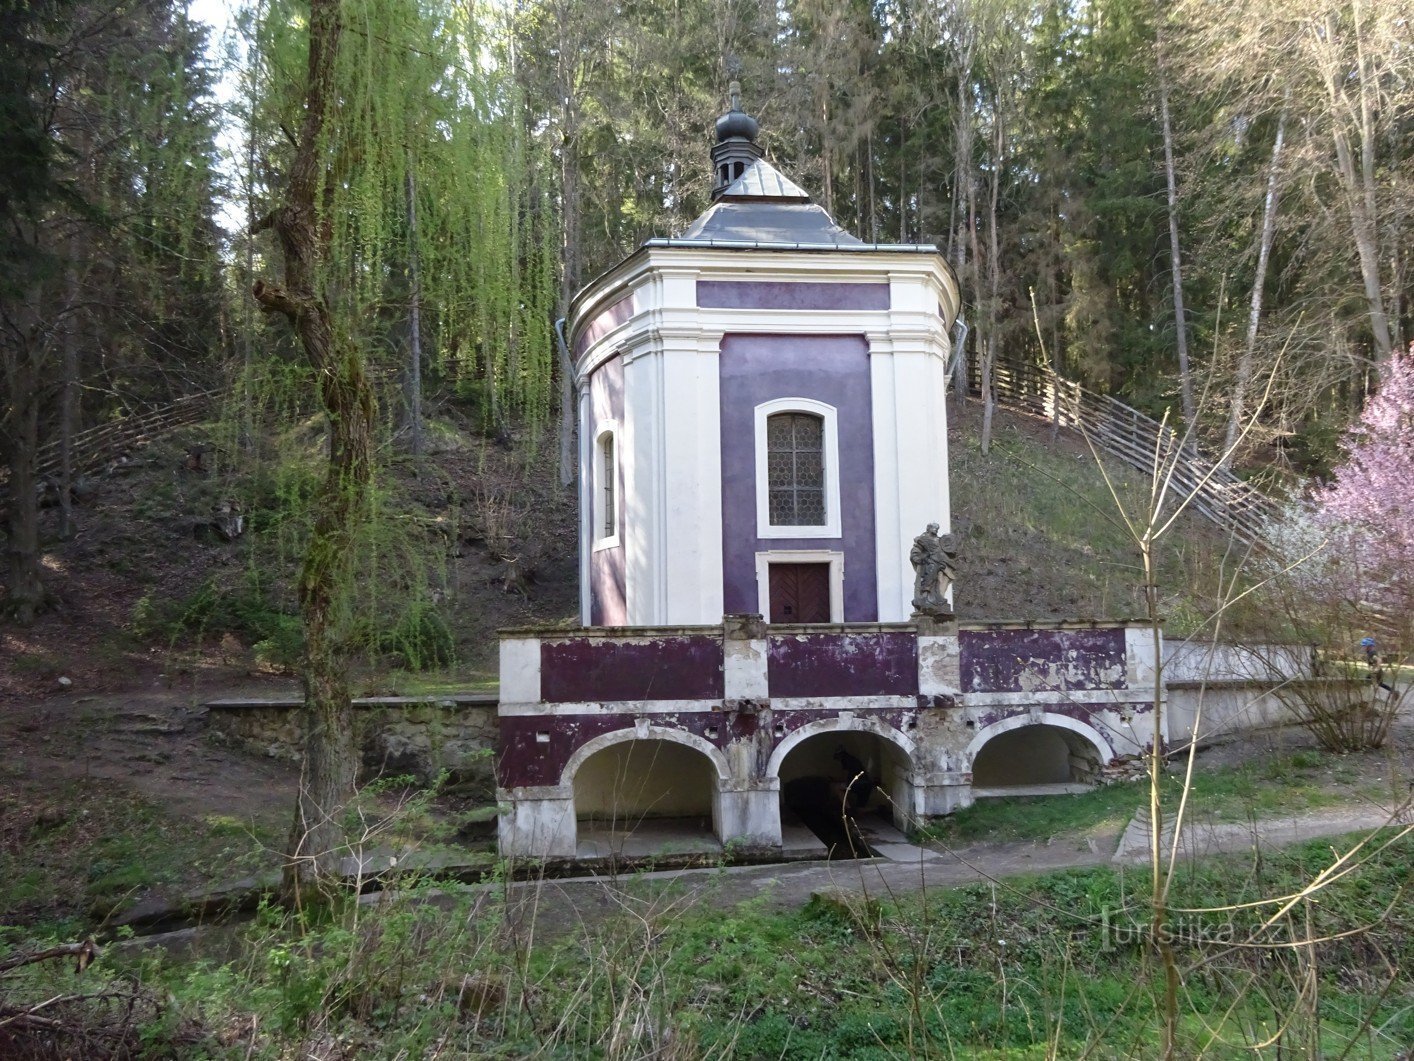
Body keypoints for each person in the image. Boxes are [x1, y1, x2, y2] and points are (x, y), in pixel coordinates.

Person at [911, 523, 956, 612]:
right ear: (928, 529)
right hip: (927, 564)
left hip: (940, 565)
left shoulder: (939, 540)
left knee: (939, 581)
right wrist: (922, 558)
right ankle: (925, 595)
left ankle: (937, 598)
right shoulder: (922, 539)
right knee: (930, 574)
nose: (936, 530)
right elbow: (915, 553)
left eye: (937, 528)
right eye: (934, 528)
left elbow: (947, 551)